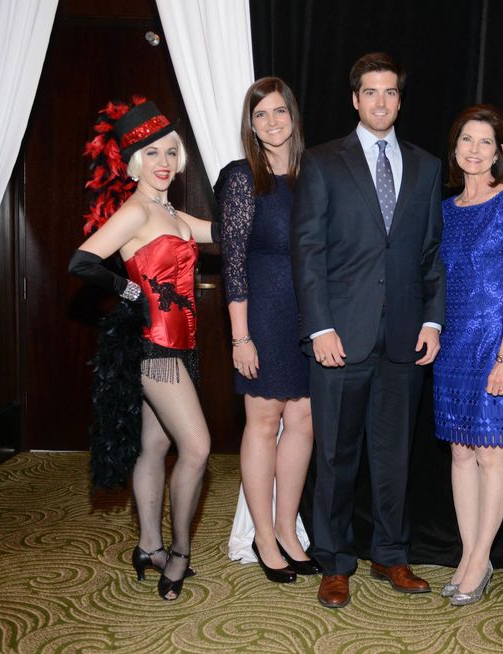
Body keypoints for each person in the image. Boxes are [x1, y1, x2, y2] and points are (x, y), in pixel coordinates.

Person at [290, 52, 445, 609]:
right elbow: (306, 253)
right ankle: (334, 560)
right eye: (371, 93)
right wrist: (320, 328)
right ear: (355, 100)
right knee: (335, 455)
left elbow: (431, 253)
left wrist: (432, 319)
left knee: (394, 453)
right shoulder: (323, 162)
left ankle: (391, 553)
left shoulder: (426, 168)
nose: (381, 102)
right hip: (340, 337)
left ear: (400, 100)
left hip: (404, 337)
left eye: (390, 93)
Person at [68, 99, 219, 601]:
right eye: (152, 153)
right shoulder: (136, 210)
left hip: (183, 346)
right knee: (196, 448)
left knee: (154, 445)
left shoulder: (168, 210)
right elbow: (82, 261)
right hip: (155, 348)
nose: (163, 162)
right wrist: (128, 290)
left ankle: (147, 545)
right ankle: (178, 553)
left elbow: (218, 233)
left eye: (171, 152)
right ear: (134, 162)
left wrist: (260, 206)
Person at [434, 105, 503, 606]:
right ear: (455, 149)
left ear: (500, 152)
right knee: (460, 451)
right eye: (466, 141)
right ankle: (469, 552)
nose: (474, 150)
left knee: (492, 452)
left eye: (484, 142)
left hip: (498, 345)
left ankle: (481, 558)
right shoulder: (445, 210)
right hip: (453, 345)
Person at [215, 77, 318, 584]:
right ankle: (261, 534)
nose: (272, 122)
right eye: (261, 115)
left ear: (293, 116)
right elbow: (232, 261)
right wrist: (240, 336)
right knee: (262, 421)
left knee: (302, 420)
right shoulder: (240, 178)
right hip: (260, 311)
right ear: (250, 125)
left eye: (279, 111)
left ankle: (287, 528)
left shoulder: (314, 174)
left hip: (309, 313)